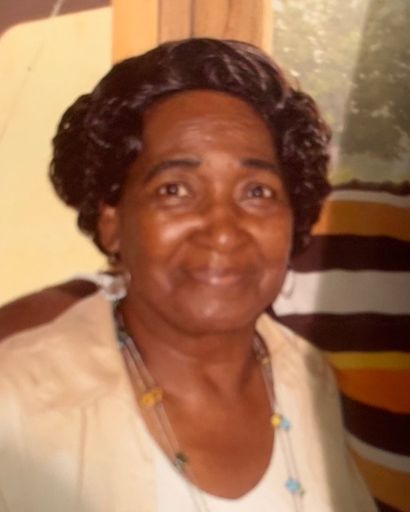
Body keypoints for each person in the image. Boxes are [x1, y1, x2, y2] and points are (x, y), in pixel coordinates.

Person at [0, 38, 376, 512]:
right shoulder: (19, 404)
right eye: (174, 189)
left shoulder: (307, 376)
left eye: (257, 191)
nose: (223, 230)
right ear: (112, 221)